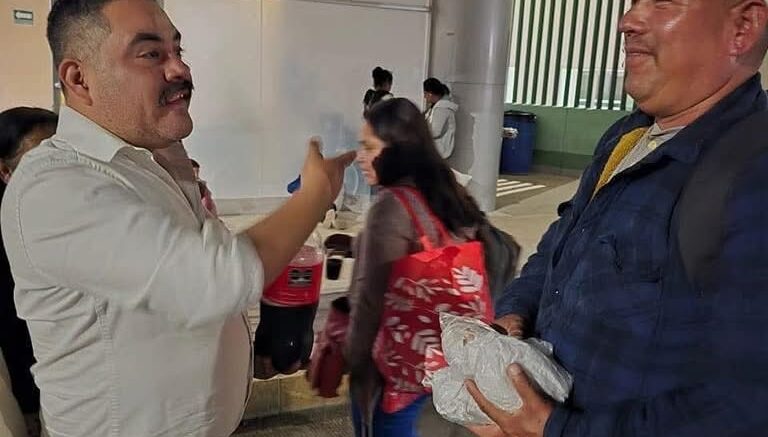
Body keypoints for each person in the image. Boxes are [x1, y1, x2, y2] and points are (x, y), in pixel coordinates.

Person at [0, 1, 353, 436]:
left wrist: (239, 356)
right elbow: (215, 278)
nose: (180, 69)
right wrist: (315, 196)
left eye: (178, 50)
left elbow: (174, 287)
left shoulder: (150, 160)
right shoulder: (54, 185)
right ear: (79, 78)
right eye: (151, 54)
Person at [463, 1, 768, 437]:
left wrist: (552, 430)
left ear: (743, 27)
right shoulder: (628, 135)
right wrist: (515, 312)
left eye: (663, 2)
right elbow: (563, 241)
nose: (627, 21)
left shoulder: (753, 176)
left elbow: (745, 405)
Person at [345, 98, 494, 437]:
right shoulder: (452, 193)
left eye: (369, 147)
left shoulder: (392, 205)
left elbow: (370, 299)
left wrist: (355, 360)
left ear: (397, 150)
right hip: (450, 362)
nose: (360, 156)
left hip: (402, 370)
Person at [0, 107, 57, 437]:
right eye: (41, 157)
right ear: (5, 171)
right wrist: (28, 404)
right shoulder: (12, 232)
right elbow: (11, 325)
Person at [423, 78, 458, 160]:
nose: (424, 97)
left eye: (425, 93)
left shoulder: (442, 108)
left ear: (430, 93)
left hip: (439, 151)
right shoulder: (436, 107)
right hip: (437, 151)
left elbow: (435, 131)